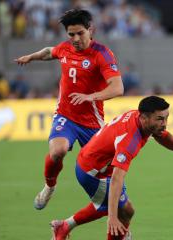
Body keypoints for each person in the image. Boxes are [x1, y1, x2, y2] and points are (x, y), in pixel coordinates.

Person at [14, 9, 124, 210]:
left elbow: (118, 88)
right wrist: (31, 56)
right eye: (71, 34)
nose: (75, 38)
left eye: (80, 33)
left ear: (91, 30)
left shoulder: (102, 54)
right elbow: (50, 51)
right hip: (66, 115)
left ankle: (121, 220)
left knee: (108, 172)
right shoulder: (65, 48)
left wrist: (90, 96)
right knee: (58, 151)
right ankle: (49, 186)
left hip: (92, 122)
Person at [50, 96, 173, 240]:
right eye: (160, 119)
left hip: (102, 164)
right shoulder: (129, 141)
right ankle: (64, 226)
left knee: (125, 211)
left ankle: (65, 226)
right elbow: (117, 178)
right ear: (144, 118)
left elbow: (161, 135)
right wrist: (112, 217)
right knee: (120, 211)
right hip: (92, 172)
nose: (164, 123)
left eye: (166, 118)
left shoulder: (141, 118)